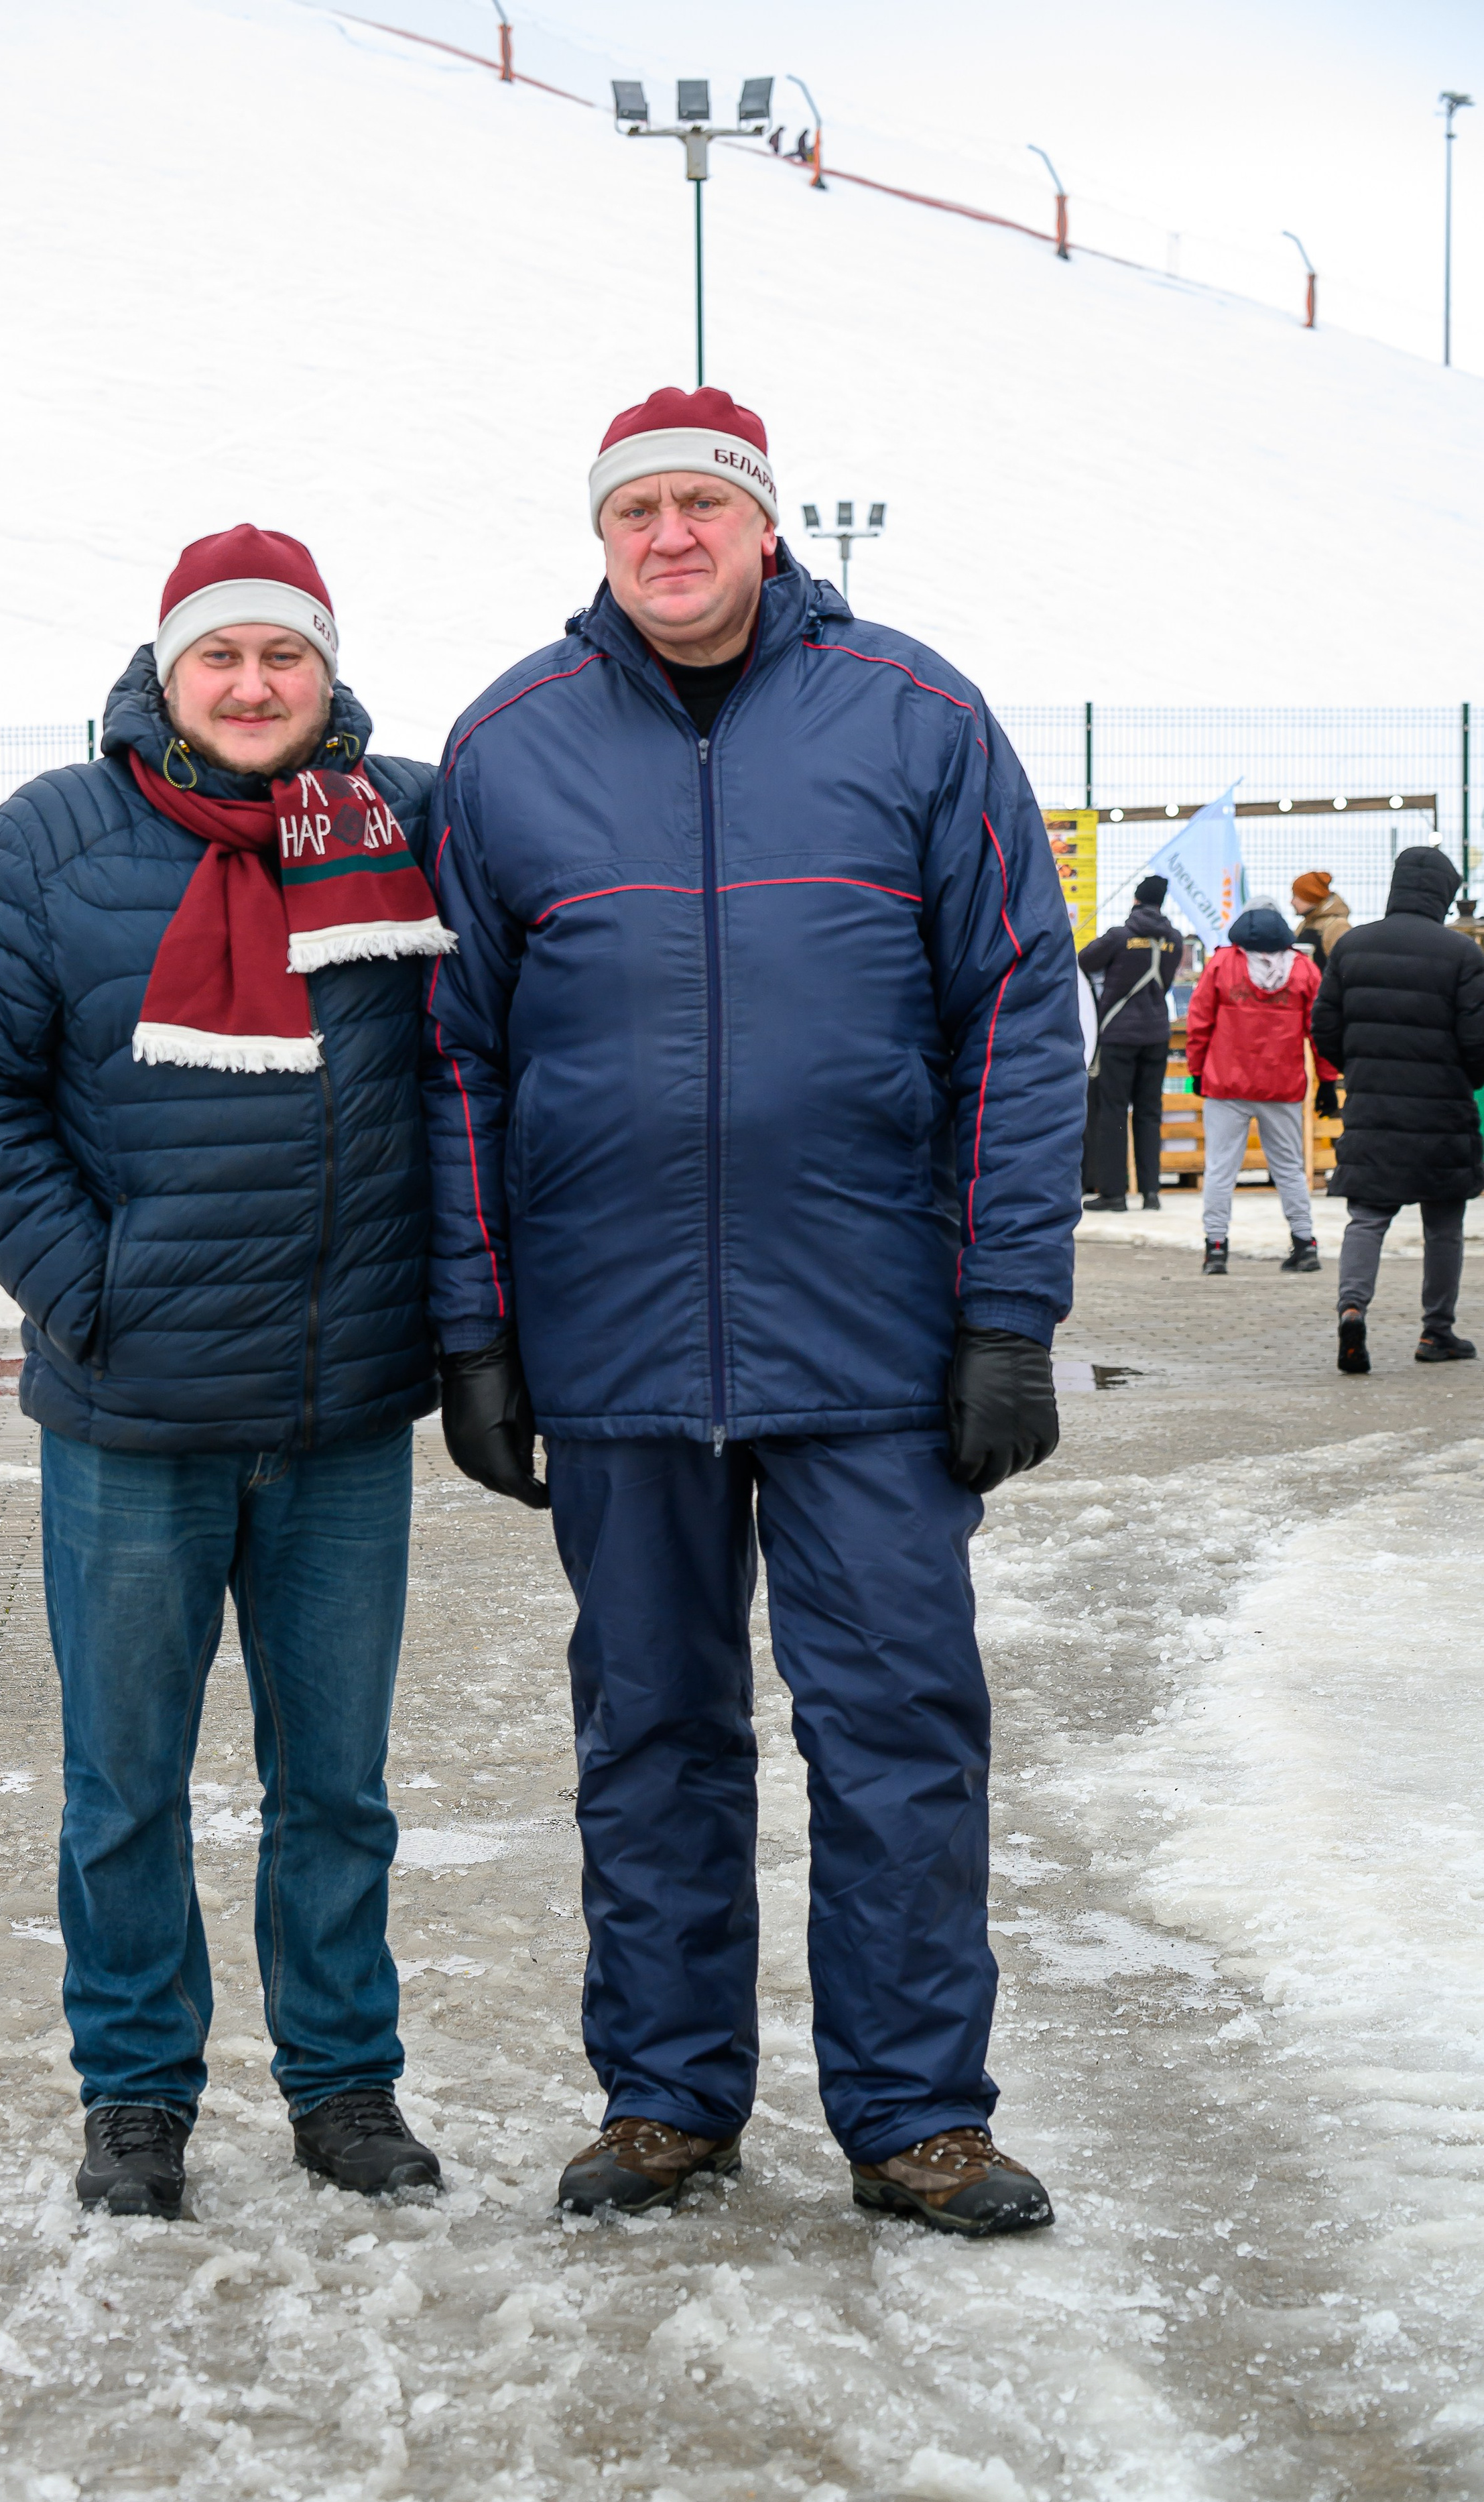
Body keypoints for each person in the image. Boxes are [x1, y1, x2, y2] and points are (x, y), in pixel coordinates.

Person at [424, 386, 1083, 2236]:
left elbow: (1019, 1023)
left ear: (771, 526)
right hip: (615, 1342)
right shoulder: (510, 747)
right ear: (601, 537)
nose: (671, 538)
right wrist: (478, 1330)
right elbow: (456, 1061)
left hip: (869, 1337)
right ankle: (666, 2102)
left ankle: (915, 2119)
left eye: (705, 505)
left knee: (896, 1727)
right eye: (637, 511)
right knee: (652, 1731)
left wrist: (1005, 1312)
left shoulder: (920, 718)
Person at [0, 525, 453, 2220]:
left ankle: (343, 2084)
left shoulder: (407, 824)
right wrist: (90, 1288)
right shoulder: (56, 841)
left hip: (342, 1412)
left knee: (335, 1787)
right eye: (218, 655)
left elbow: (483, 1068)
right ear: (164, 671)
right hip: (132, 1416)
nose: (250, 683)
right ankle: (136, 2090)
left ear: (325, 668)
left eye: (282, 655)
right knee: (123, 1781)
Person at [1311, 845, 1484, 1372]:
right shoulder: (1464, 955)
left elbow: (1324, 1027)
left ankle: (1351, 1309)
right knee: (1444, 1225)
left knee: (1366, 1217)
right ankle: (1437, 1333)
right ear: (1442, 895)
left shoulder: (1352, 947)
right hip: (1443, 1109)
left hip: (1372, 1104)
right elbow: (1477, 1041)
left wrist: (1359, 1067)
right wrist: (1462, 1079)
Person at [1184, 906, 1333, 1276]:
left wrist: (1197, 1070)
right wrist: (1328, 1080)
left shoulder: (1222, 965)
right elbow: (1321, 1028)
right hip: (1281, 1085)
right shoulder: (1303, 970)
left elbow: (1199, 1020)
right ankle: (1305, 1243)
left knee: (1220, 1168)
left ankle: (1216, 1249)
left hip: (1226, 1083)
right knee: (1289, 1168)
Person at [1078, 873, 1183, 1212]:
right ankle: (1151, 1193)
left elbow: (1083, 961)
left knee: (1113, 1113)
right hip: (1156, 1034)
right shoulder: (1175, 941)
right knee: (1150, 1113)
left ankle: (1114, 1193)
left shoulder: (1118, 937)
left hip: (1119, 1034)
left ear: (1135, 900)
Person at [1290, 869, 1351, 966]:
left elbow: (1345, 966)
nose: (1292, 902)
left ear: (1311, 897)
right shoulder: (1304, 925)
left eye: (1296, 896)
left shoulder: (1337, 926)